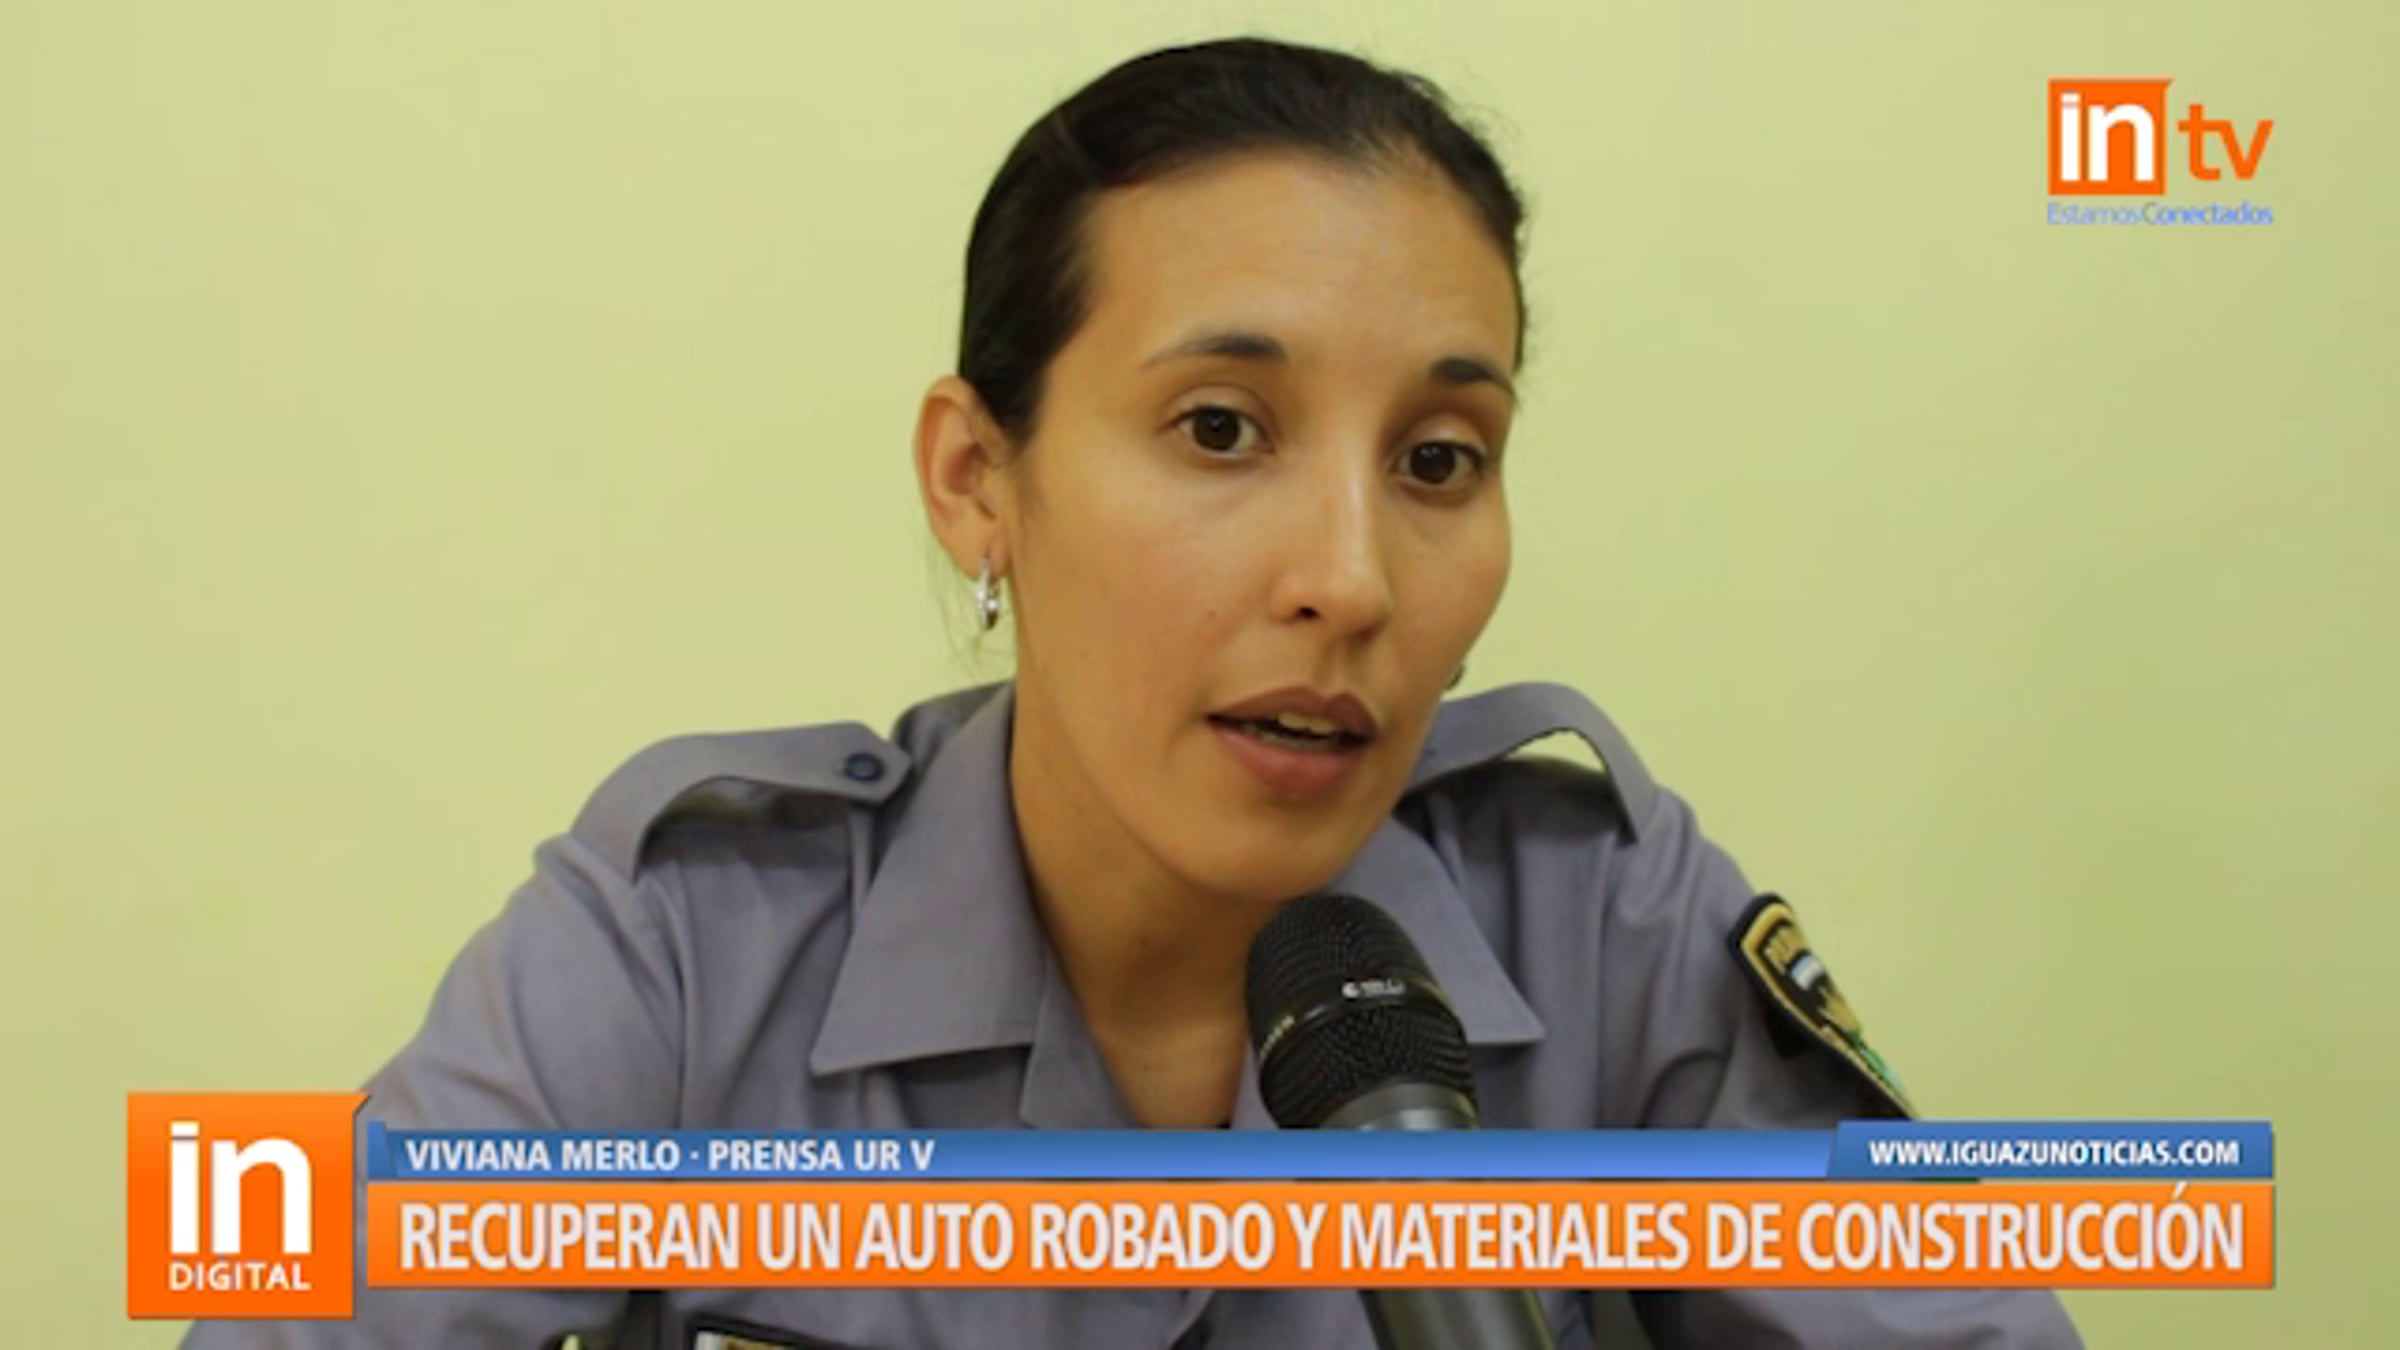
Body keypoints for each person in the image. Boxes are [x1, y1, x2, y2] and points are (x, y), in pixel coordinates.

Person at [187, 36, 2080, 1349]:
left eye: (1439, 459)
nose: (1351, 576)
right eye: (1221, 428)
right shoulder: (681, 950)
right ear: (977, 480)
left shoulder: (1611, 926)